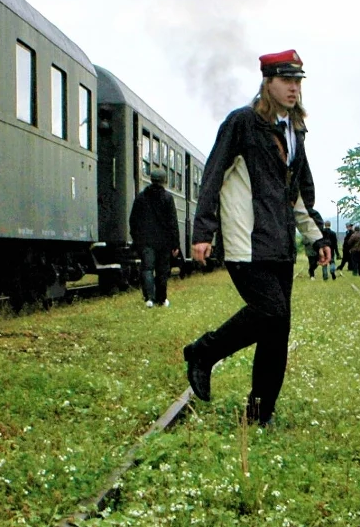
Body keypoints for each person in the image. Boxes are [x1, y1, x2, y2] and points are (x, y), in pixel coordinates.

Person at [183, 49, 330, 427]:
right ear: (268, 82)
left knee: (277, 331)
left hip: (280, 247)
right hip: (245, 243)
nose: (294, 88)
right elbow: (213, 175)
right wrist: (203, 231)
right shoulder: (242, 123)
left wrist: (316, 238)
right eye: (287, 80)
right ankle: (203, 352)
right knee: (271, 312)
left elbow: (296, 195)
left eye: (298, 81)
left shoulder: (295, 132)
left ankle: (259, 414)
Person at [129, 167, 181, 307]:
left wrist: (137, 239)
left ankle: (149, 299)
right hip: (164, 243)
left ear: (151, 180)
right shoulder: (168, 198)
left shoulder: (141, 197)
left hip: (146, 242)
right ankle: (162, 299)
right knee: (162, 271)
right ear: (164, 181)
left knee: (147, 269)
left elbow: (133, 221)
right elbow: (173, 223)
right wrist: (175, 244)